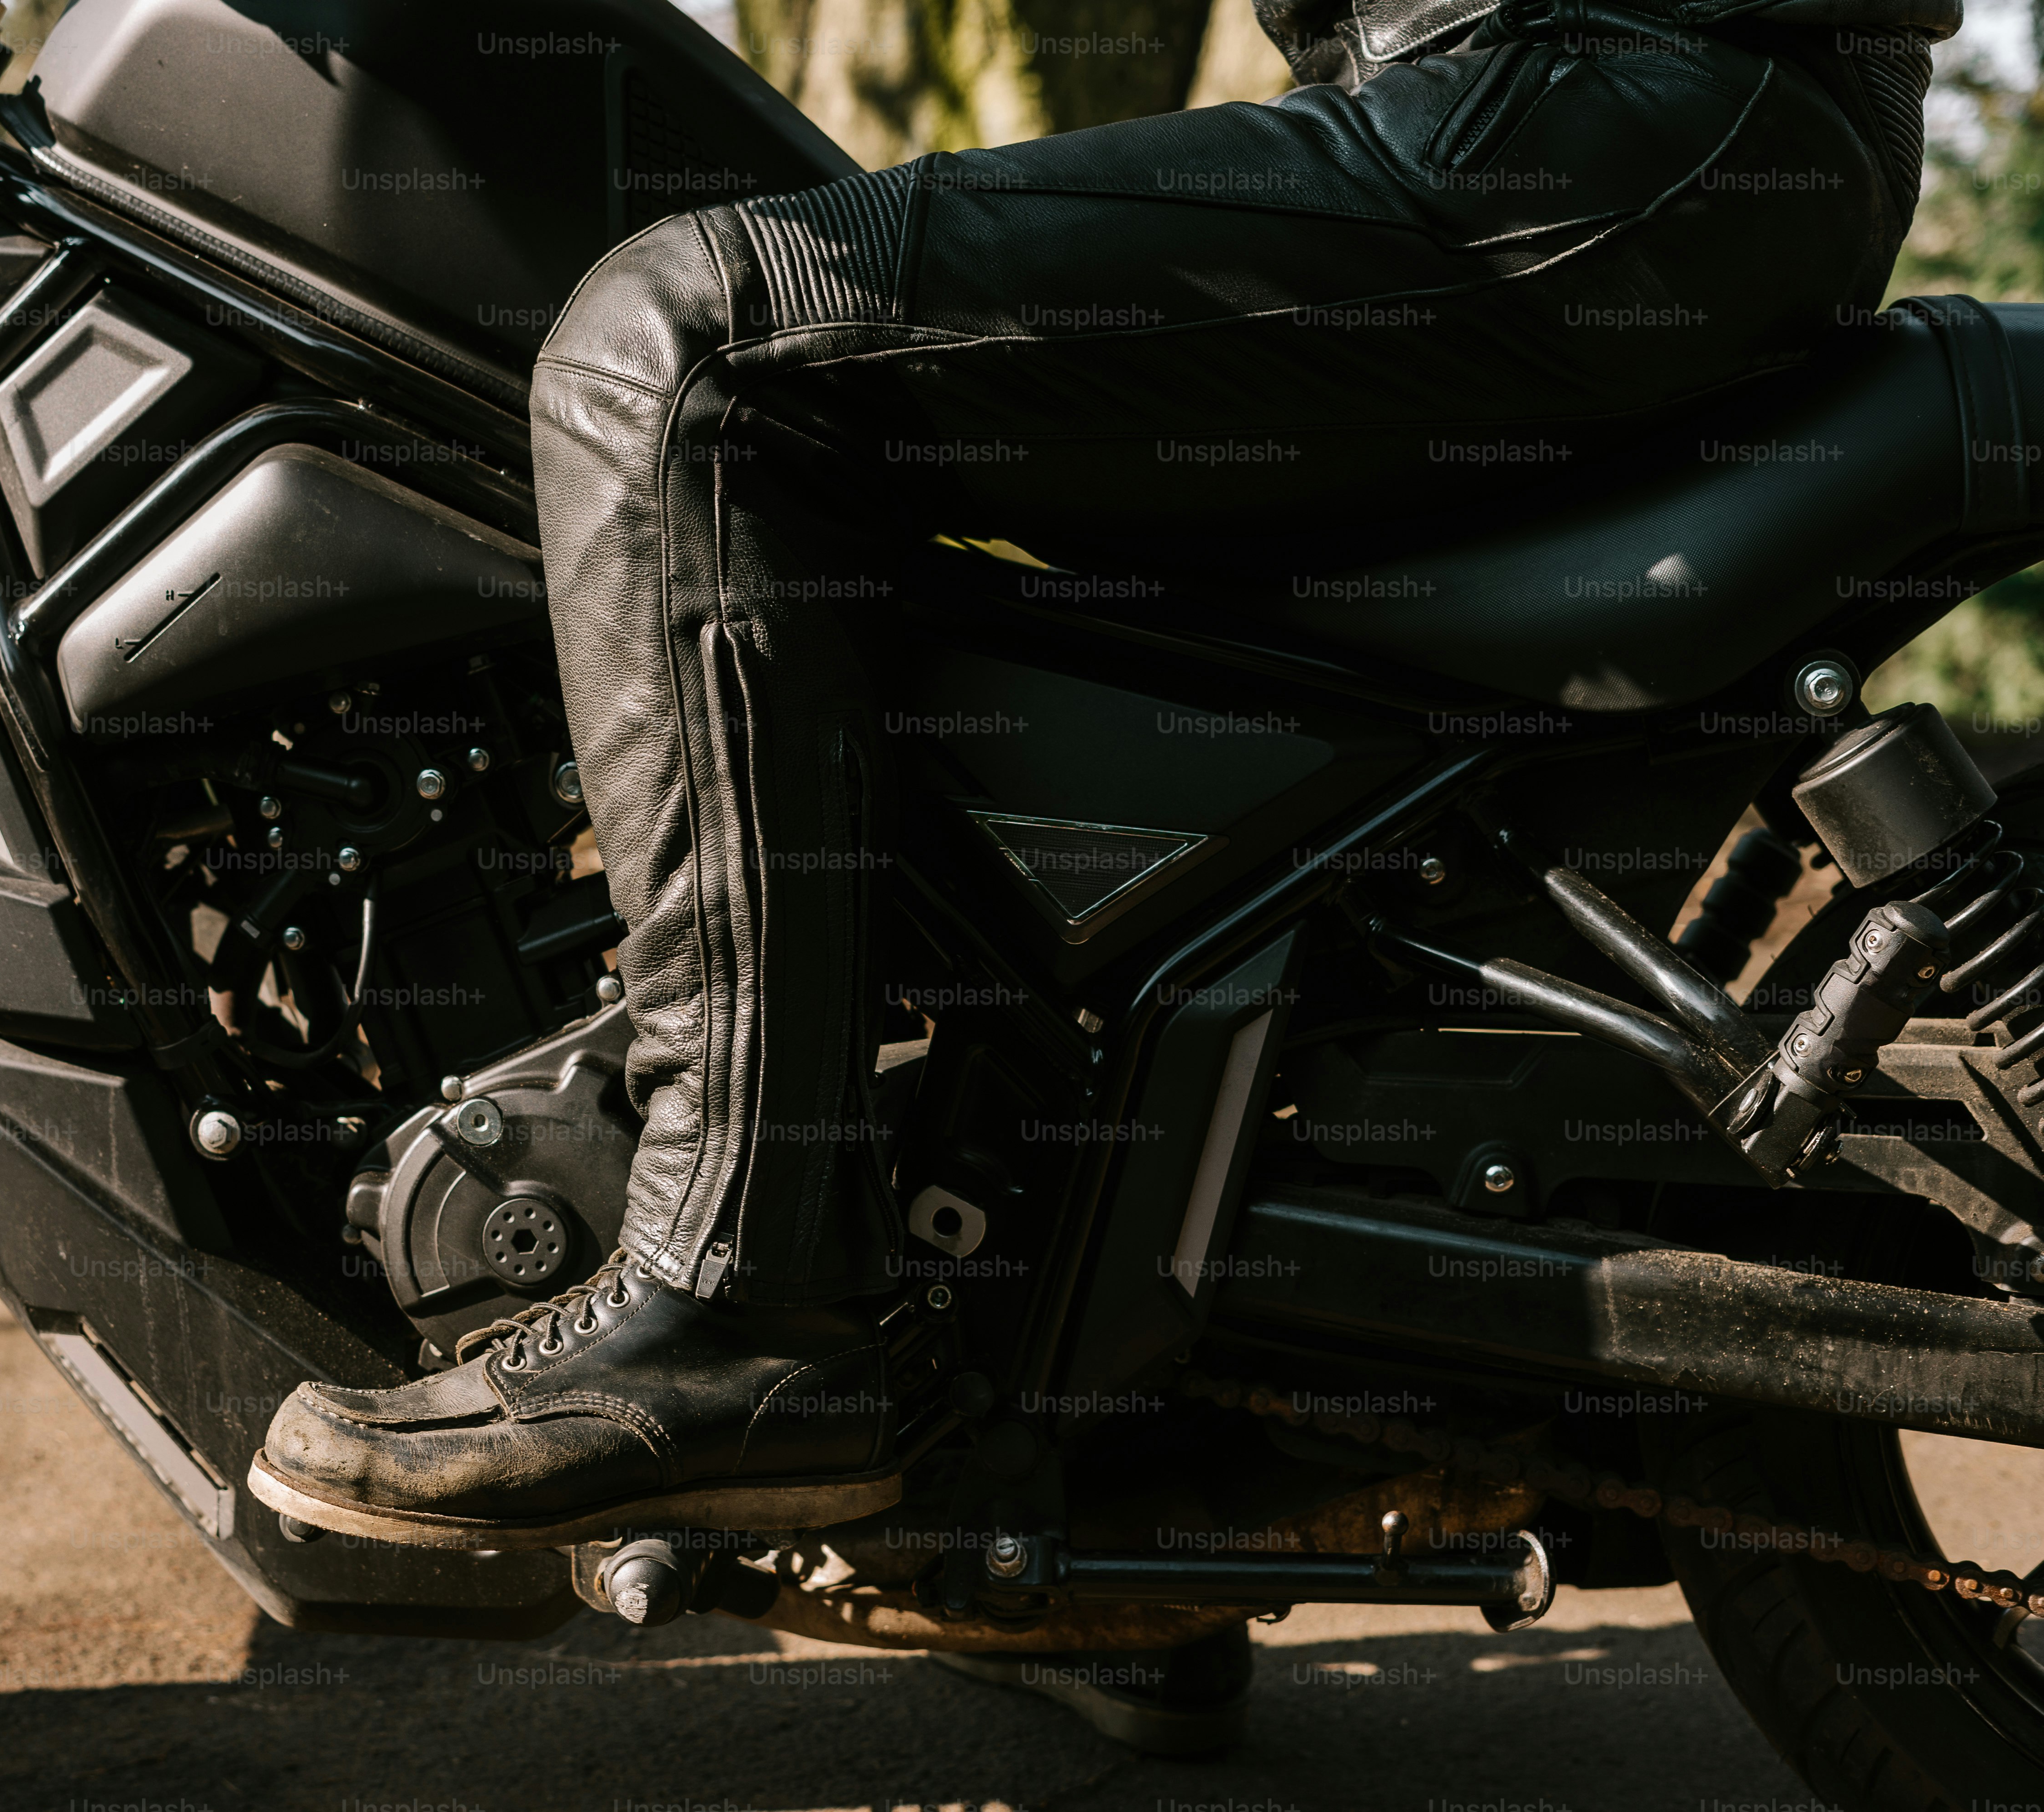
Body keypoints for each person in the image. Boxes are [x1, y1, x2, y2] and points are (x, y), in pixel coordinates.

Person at [253, 0, 1951, 1542]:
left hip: (1602, 114)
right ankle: (1078, 1459)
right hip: (1609, 117)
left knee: (679, 347)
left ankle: (743, 1294)